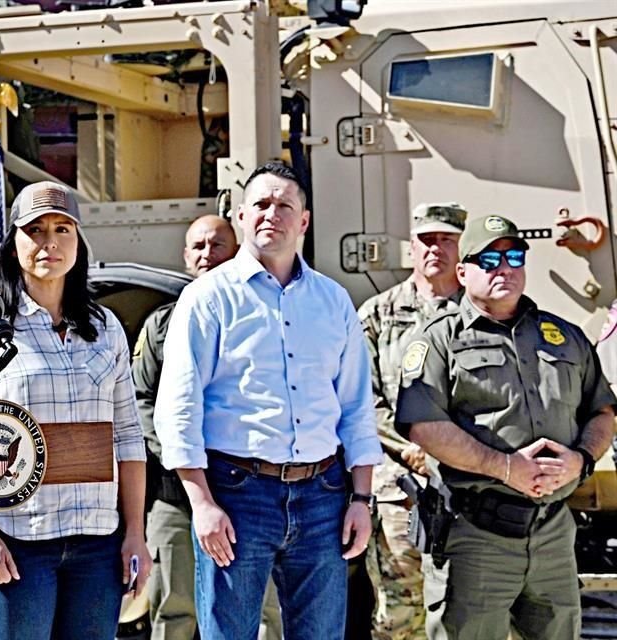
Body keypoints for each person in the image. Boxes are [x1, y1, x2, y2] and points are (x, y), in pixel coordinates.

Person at [154, 160, 383, 640]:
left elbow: (357, 407)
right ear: (240, 216)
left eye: (284, 206)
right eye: (260, 204)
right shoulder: (207, 300)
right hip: (238, 496)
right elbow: (178, 408)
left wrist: (361, 497)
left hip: (324, 497)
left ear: (304, 221)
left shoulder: (333, 301)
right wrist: (202, 503)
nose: (270, 215)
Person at [394, 214, 616, 640]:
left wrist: (581, 460)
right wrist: (505, 467)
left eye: (515, 256)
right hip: (477, 537)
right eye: (489, 259)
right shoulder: (437, 340)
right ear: (463, 271)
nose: (505, 267)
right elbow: (423, 425)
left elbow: (602, 411)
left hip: (552, 531)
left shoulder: (564, 337)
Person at [0, 180, 152, 640]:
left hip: (97, 540)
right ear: (13, 243)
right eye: (35, 229)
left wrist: (135, 532)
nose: (50, 242)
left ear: (79, 243)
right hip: (14, 538)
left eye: (63, 229)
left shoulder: (104, 328)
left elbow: (126, 435)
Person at [134, 215, 283, 640]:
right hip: (176, 496)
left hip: (254, 494)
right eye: (197, 246)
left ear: (236, 251)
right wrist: (181, 457)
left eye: (217, 245)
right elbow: (140, 399)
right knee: (173, 609)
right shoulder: (162, 324)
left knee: (266, 609)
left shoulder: (267, 316)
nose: (206, 254)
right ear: (185, 256)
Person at [356, 203, 467, 640]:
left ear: (462, 249)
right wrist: (412, 447)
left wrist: (451, 451)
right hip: (399, 489)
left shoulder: (481, 315)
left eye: (447, 239)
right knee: (399, 615)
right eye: (426, 239)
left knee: (469, 611)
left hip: (467, 488)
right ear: (412, 246)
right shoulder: (377, 315)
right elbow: (361, 399)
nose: (435, 248)